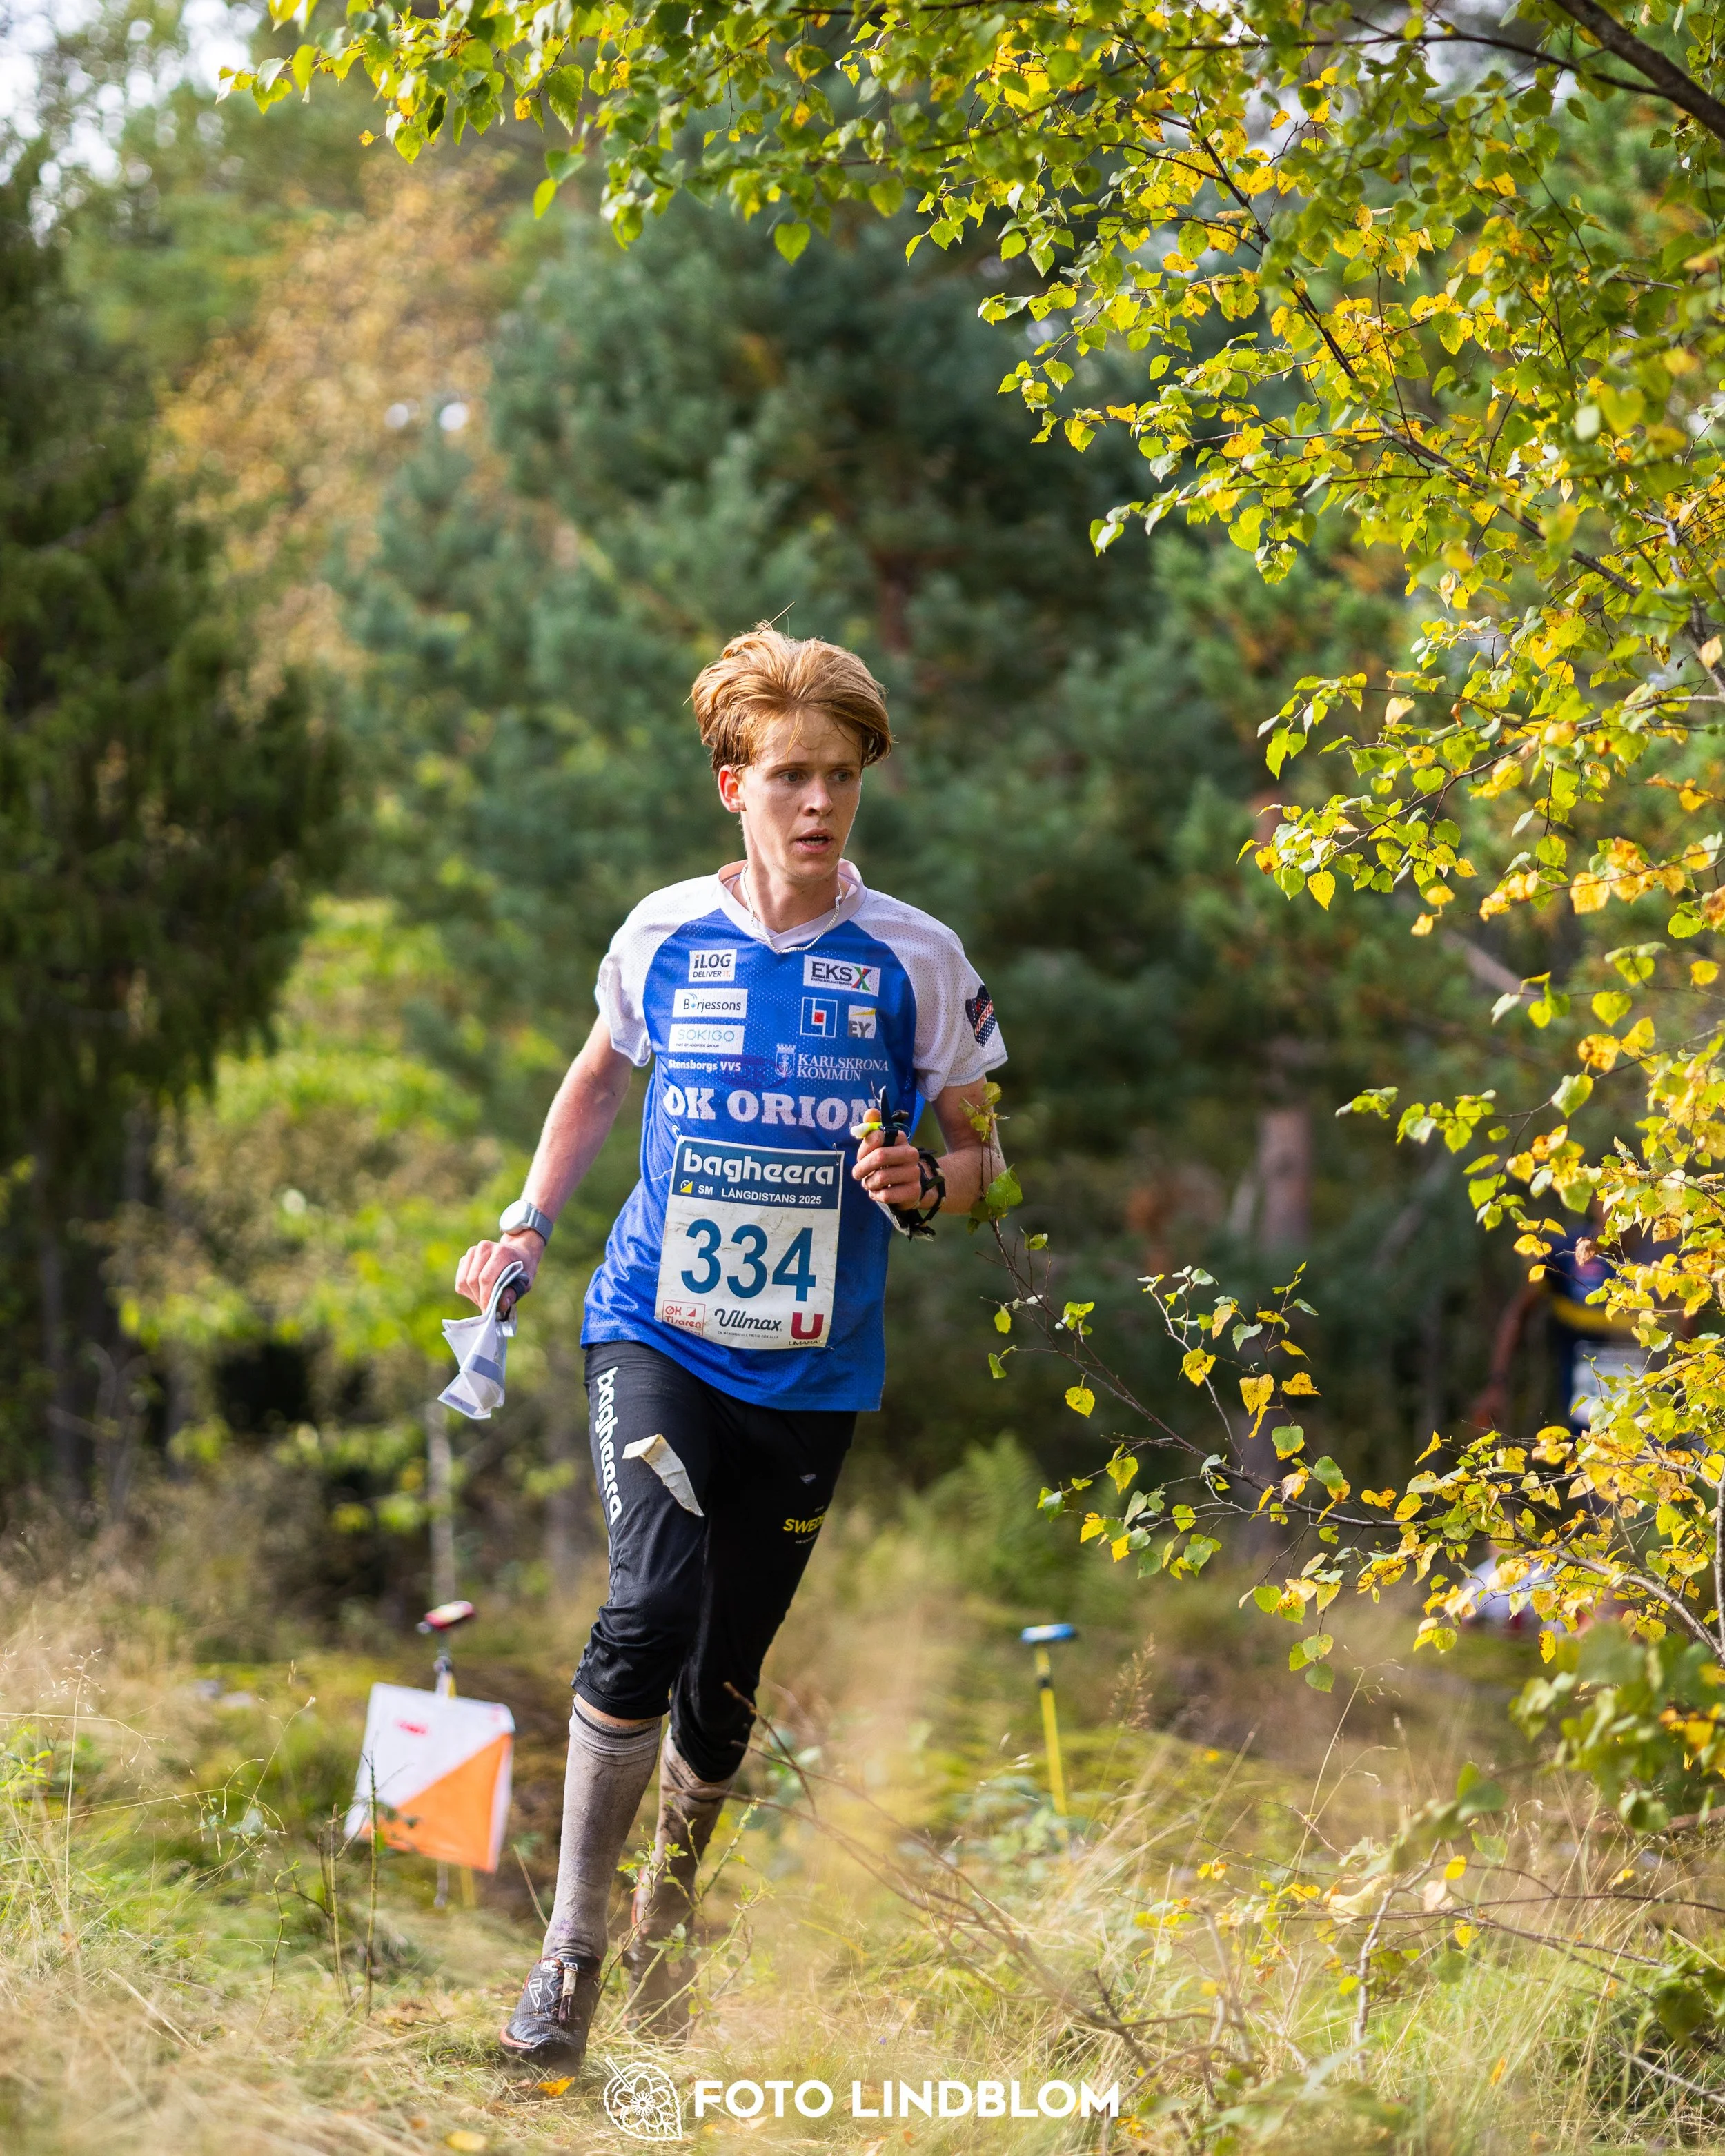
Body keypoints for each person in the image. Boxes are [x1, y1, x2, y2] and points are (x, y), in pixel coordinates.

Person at [453, 624, 1007, 2067]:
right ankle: (567, 1955)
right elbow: (590, 1082)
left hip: (814, 1362)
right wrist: (522, 1223)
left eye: (839, 776)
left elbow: (976, 1149)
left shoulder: (917, 958)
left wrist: (930, 1189)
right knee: (649, 1604)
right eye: (788, 775)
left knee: (729, 1666)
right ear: (731, 783)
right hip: (655, 1325)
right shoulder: (661, 931)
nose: (817, 802)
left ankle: (661, 1918)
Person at [1469, 1203, 1646, 1440]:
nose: (1616, 1212)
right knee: (1591, 1464)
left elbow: (1686, 1327)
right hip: (1582, 1398)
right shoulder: (1565, 1253)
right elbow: (1519, 1312)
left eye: (1626, 1202)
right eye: (1609, 1201)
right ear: (1595, 1203)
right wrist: (1497, 1383)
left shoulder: (1663, 1257)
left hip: (1649, 1400)